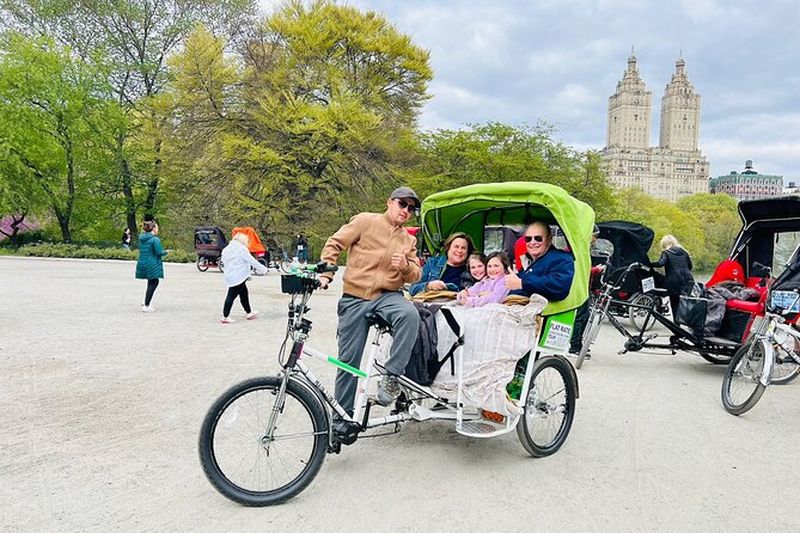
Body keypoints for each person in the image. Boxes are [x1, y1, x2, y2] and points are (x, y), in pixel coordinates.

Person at [318, 186, 422, 424]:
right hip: (355, 297)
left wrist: (405, 266)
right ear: (389, 202)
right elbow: (334, 244)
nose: (406, 210)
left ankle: (392, 375)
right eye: (402, 204)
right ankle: (341, 419)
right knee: (348, 362)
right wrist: (326, 274)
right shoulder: (366, 221)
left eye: (411, 208)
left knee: (409, 314)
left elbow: (416, 274)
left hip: (387, 296)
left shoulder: (409, 239)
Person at [505, 222, 574, 301]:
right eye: (528, 239)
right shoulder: (529, 261)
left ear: (549, 239)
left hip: (539, 310)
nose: (532, 242)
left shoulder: (561, 258)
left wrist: (522, 284)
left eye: (538, 238)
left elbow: (559, 285)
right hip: (515, 305)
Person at [569, 225, 606, 355]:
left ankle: (578, 344)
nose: (595, 239)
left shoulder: (581, 247)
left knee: (584, 316)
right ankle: (574, 347)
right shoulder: (579, 248)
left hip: (584, 286)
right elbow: (580, 269)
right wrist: (596, 270)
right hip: (579, 287)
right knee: (580, 317)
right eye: (594, 236)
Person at [220, 232, 268, 324]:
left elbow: (223, 261)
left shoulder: (226, 249)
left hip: (231, 275)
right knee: (231, 296)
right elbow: (251, 261)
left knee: (244, 294)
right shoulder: (242, 249)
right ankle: (225, 316)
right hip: (239, 276)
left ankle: (249, 312)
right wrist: (263, 269)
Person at [408, 232, 475, 296]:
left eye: (463, 248)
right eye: (456, 246)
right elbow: (412, 289)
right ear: (448, 248)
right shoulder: (432, 263)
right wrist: (428, 286)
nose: (459, 251)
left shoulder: (473, 268)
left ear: (468, 252)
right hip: (432, 304)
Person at [650, 234, 694, 315]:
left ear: (665, 244)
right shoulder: (684, 252)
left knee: (674, 303)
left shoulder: (666, 252)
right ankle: (687, 321)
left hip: (673, 281)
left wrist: (649, 264)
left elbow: (660, 263)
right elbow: (690, 266)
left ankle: (676, 324)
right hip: (688, 281)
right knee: (685, 303)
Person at [135, 219, 167, 312]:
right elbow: (158, 252)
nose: (158, 229)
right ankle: (146, 305)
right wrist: (166, 252)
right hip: (152, 263)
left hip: (143, 262)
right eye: (157, 227)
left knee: (151, 282)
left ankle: (147, 301)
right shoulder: (155, 239)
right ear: (153, 228)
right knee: (154, 282)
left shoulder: (142, 238)